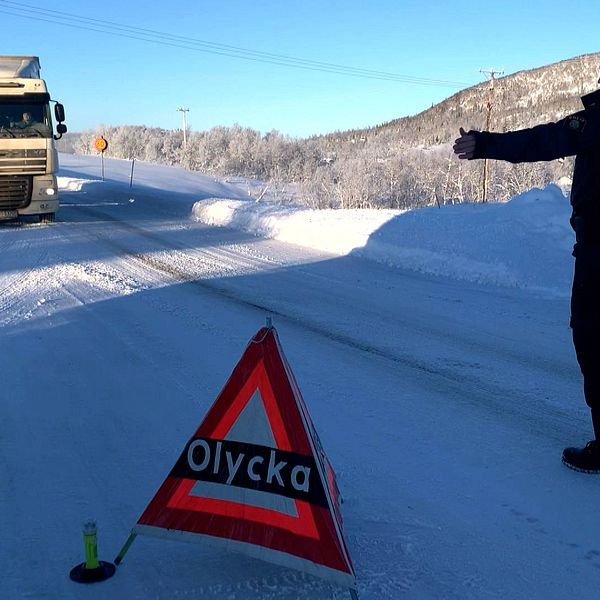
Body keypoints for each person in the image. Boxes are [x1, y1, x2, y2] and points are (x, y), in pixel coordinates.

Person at [453, 81, 600, 473]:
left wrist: (484, 145)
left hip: (597, 255)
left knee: (592, 340)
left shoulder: (594, 122)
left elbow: (543, 141)